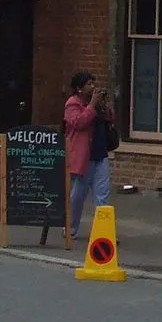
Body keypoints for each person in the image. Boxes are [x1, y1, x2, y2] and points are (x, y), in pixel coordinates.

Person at [64, 72, 115, 242]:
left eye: (93, 83)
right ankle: (71, 227)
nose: (92, 87)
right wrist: (92, 105)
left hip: (100, 154)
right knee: (78, 194)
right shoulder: (73, 104)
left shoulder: (96, 104)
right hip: (84, 156)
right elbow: (79, 122)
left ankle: (104, 231)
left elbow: (110, 119)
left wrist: (103, 105)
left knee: (103, 194)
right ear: (79, 88)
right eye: (88, 84)